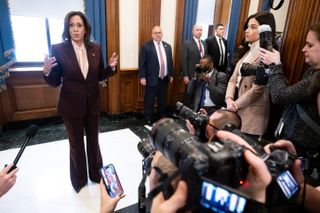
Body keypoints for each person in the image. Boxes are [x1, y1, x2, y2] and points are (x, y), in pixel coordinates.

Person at [43, 11, 118, 193]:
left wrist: (111, 68)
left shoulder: (96, 49)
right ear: (67, 28)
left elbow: (98, 75)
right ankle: (79, 180)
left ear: (85, 29)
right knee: (76, 145)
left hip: (92, 104)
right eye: (71, 25)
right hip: (71, 106)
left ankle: (95, 174)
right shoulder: (58, 49)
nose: (75, 29)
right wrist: (46, 71)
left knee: (94, 141)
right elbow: (54, 81)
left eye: (79, 25)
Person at [260, 22, 320, 168]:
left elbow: (279, 96)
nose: (303, 49)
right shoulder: (312, 72)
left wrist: (275, 65)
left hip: (300, 148)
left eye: (310, 45)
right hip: (293, 140)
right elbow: (291, 94)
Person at [225, 12, 278, 139]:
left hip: (252, 115)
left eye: (253, 27)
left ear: (265, 30)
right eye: (247, 27)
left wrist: (235, 105)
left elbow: (258, 89)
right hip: (236, 107)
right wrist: (228, 99)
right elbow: (233, 80)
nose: (247, 31)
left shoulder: (268, 54)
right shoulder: (248, 51)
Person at [139, 26, 174, 125]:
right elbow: (142, 63)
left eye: (160, 32)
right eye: (156, 33)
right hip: (152, 78)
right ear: (152, 34)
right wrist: (142, 77)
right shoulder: (146, 46)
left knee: (162, 99)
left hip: (164, 78)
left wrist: (171, 75)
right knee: (149, 99)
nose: (158, 34)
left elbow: (170, 62)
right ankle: (148, 117)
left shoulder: (167, 46)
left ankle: (162, 116)